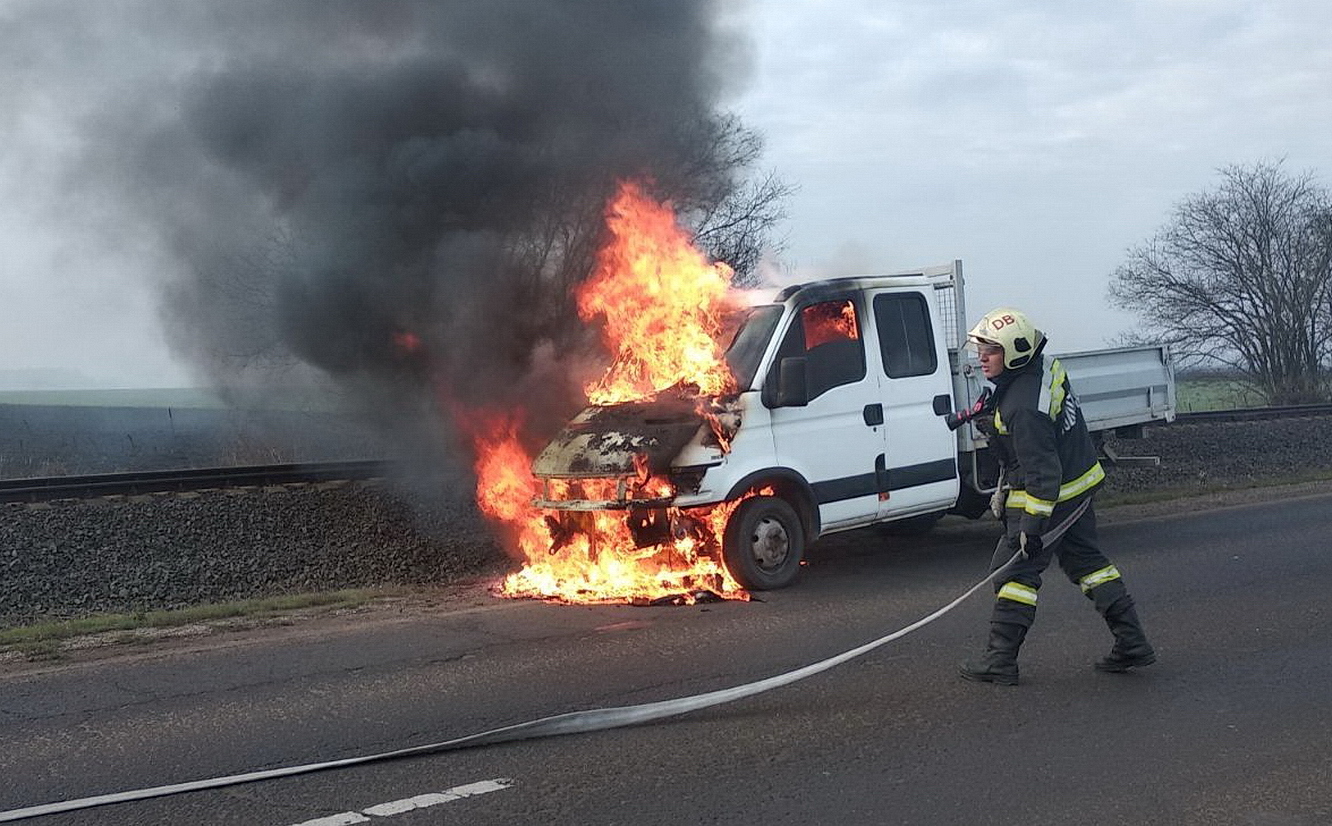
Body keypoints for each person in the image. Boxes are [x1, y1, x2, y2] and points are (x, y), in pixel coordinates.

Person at [959, 307, 1155, 685]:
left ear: (1015, 353)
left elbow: (1042, 474)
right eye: (980, 348)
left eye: (991, 350)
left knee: (1013, 572)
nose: (981, 357)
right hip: (1079, 482)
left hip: (1054, 495)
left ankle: (1000, 660)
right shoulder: (1041, 368)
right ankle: (1133, 643)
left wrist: (1031, 528)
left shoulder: (1023, 409)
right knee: (1088, 565)